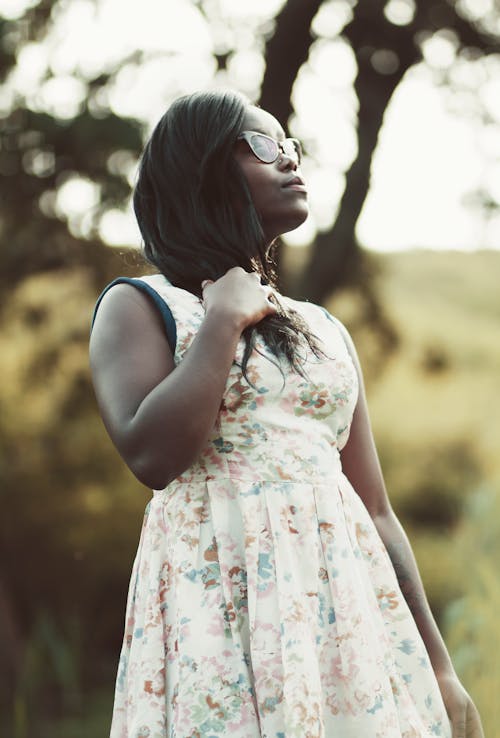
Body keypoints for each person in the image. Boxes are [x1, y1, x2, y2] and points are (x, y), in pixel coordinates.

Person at [89, 89, 483, 738]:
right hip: (218, 611)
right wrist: (222, 320)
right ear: (204, 168)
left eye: (292, 148)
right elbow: (153, 456)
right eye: (265, 146)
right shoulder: (142, 306)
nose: (291, 162)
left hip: (343, 617)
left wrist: (439, 668)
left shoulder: (324, 330)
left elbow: (376, 511)